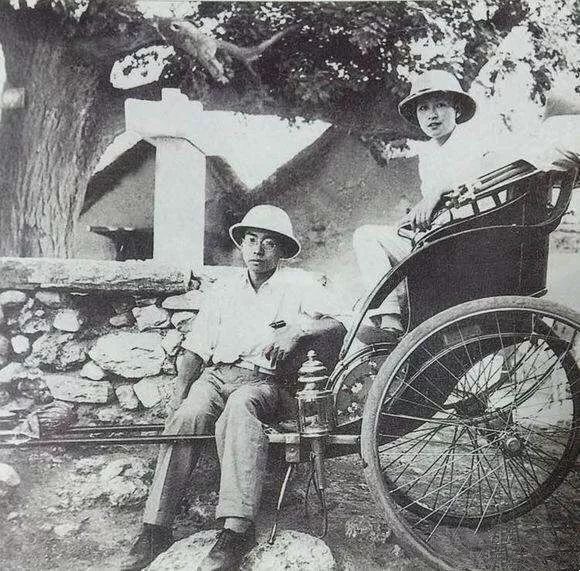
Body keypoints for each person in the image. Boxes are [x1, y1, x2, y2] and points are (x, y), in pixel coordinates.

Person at [121, 205, 346, 571]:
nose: (258, 249)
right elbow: (195, 350)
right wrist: (179, 396)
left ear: (282, 250)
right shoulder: (223, 290)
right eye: (251, 240)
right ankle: (155, 529)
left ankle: (236, 531)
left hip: (265, 382)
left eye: (269, 243)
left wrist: (297, 329)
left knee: (239, 410)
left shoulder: (299, 285)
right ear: (241, 244)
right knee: (188, 417)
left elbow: (340, 322)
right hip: (215, 376)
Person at [353, 69, 491, 341]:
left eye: (440, 105)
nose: (432, 115)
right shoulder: (428, 155)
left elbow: (483, 179)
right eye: (423, 108)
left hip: (467, 239)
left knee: (367, 236)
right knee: (370, 237)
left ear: (457, 109)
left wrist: (439, 192)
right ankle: (390, 319)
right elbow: (431, 206)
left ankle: (391, 320)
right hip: (436, 239)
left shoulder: (474, 140)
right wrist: (414, 217)